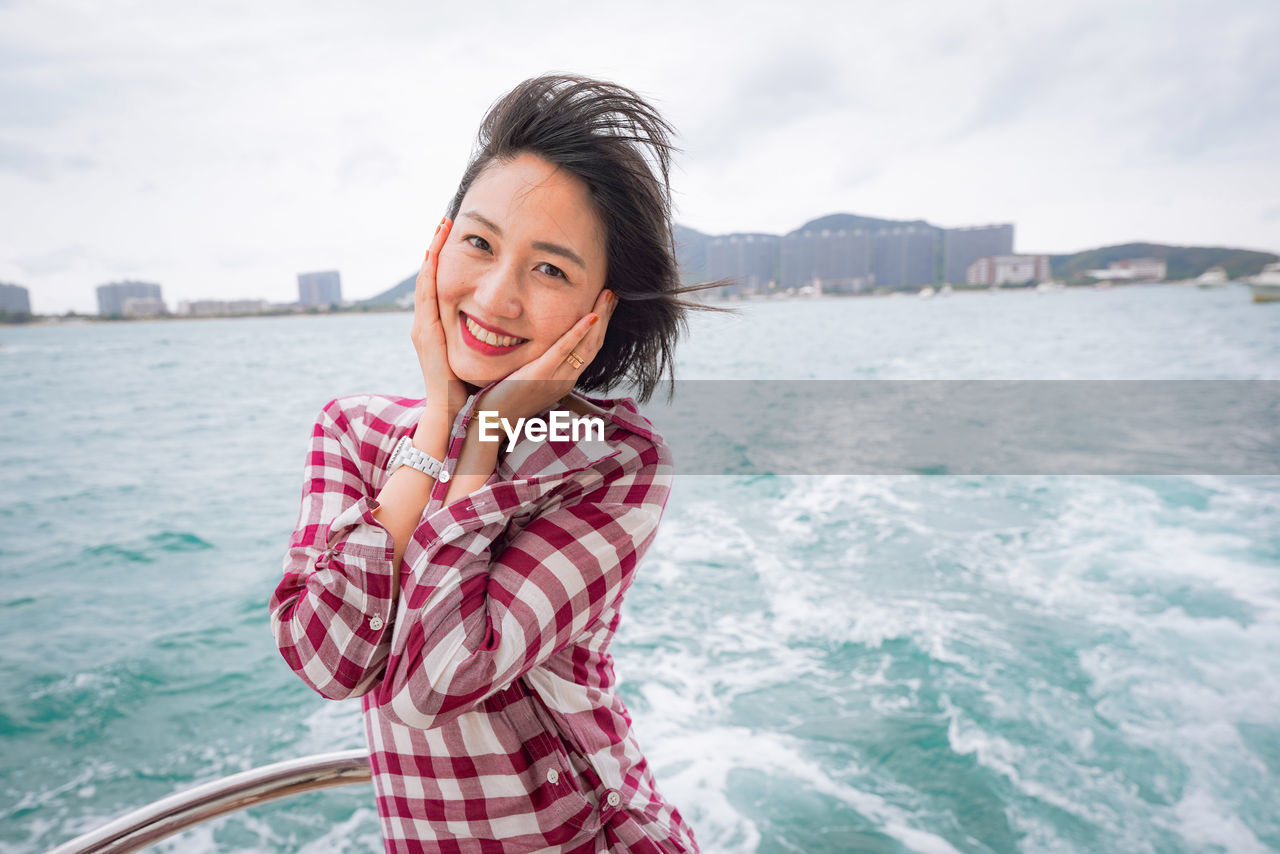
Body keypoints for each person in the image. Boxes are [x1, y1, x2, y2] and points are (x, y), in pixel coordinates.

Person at [268, 73, 733, 853]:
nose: (496, 295)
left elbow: (430, 686)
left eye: (549, 269)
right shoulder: (351, 430)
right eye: (480, 244)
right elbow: (326, 656)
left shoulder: (612, 463)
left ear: (601, 308)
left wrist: (480, 447)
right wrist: (439, 421)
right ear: (440, 244)